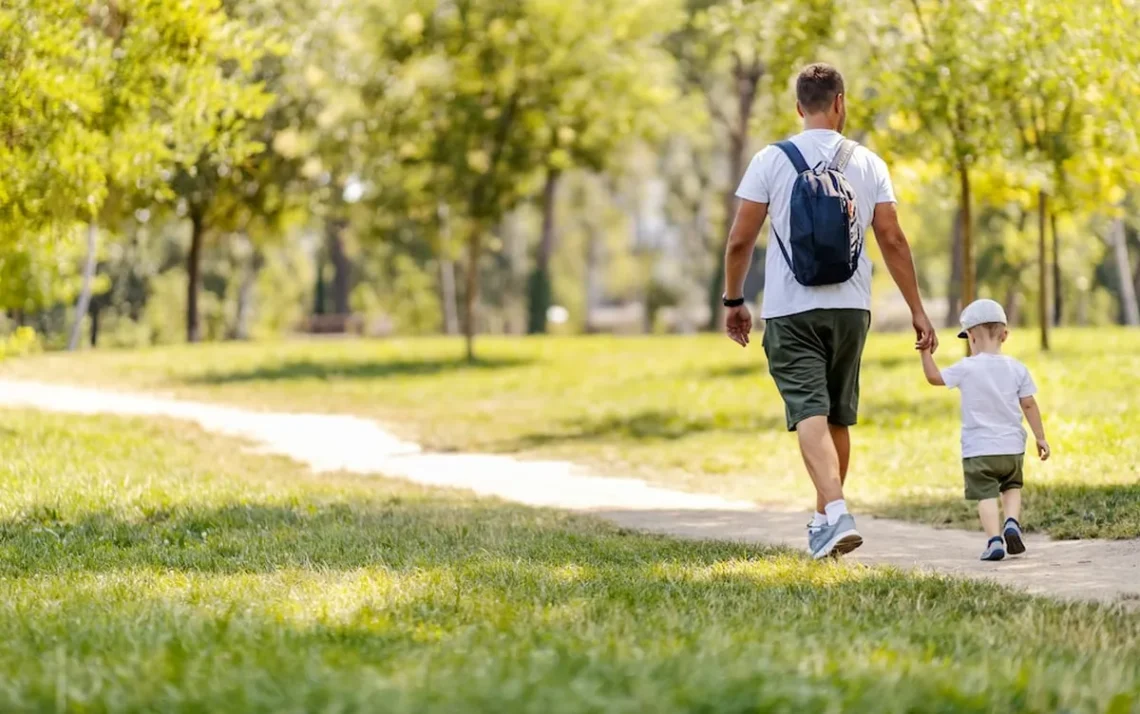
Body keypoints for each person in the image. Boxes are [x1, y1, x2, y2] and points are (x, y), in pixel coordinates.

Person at [721, 62, 937, 559]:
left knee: (809, 412)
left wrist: (735, 301)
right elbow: (894, 240)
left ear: (799, 108)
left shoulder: (770, 160)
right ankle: (824, 522)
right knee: (836, 415)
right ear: (840, 103)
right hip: (851, 309)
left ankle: (836, 511)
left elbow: (739, 242)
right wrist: (917, 311)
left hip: (791, 310)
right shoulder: (868, 163)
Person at [919, 299, 1050, 561]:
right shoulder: (1017, 368)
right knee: (1012, 486)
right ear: (1005, 335)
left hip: (979, 449)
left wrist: (925, 352)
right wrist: (1040, 437)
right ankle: (1012, 522)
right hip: (1012, 448)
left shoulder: (966, 367)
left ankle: (994, 540)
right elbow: (1029, 404)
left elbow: (934, 378)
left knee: (986, 494)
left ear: (970, 336)